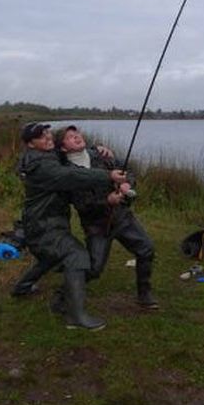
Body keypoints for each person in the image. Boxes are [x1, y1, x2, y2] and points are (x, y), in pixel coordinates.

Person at [16, 121, 129, 331]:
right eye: (42, 137)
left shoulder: (44, 156)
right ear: (30, 144)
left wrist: (97, 149)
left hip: (46, 223)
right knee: (76, 256)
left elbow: (70, 155)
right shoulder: (42, 166)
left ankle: (21, 288)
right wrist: (107, 175)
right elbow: (71, 175)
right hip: (43, 227)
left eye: (48, 134)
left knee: (49, 257)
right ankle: (75, 316)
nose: (48, 138)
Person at [56, 125, 159, 310]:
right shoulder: (66, 172)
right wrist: (107, 201)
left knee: (146, 249)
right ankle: (62, 295)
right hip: (97, 226)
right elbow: (82, 205)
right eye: (70, 137)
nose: (77, 137)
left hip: (122, 218)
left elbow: (127, 172)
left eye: (77, 133)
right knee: (94, 269)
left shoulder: (101, 154)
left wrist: (127, 183)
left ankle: (144, 294)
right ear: (63, 147)